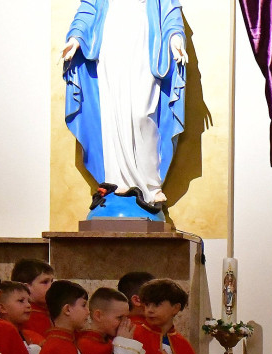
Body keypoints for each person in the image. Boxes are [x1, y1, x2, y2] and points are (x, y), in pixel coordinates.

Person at [62, 0, 187, 207]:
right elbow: (88, 9)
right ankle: (116, 179)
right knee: (112, 114)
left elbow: (170, 10)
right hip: (111, 47)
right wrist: (76, 38)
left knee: (141, 113)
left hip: (144, 45)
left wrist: (176, 38)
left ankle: (151, 185)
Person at [12, 259, 55, 342]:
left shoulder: (52, 310)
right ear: (26, 287)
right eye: (45, 282)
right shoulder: (23, 314)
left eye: (51, 281)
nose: (51, 286)